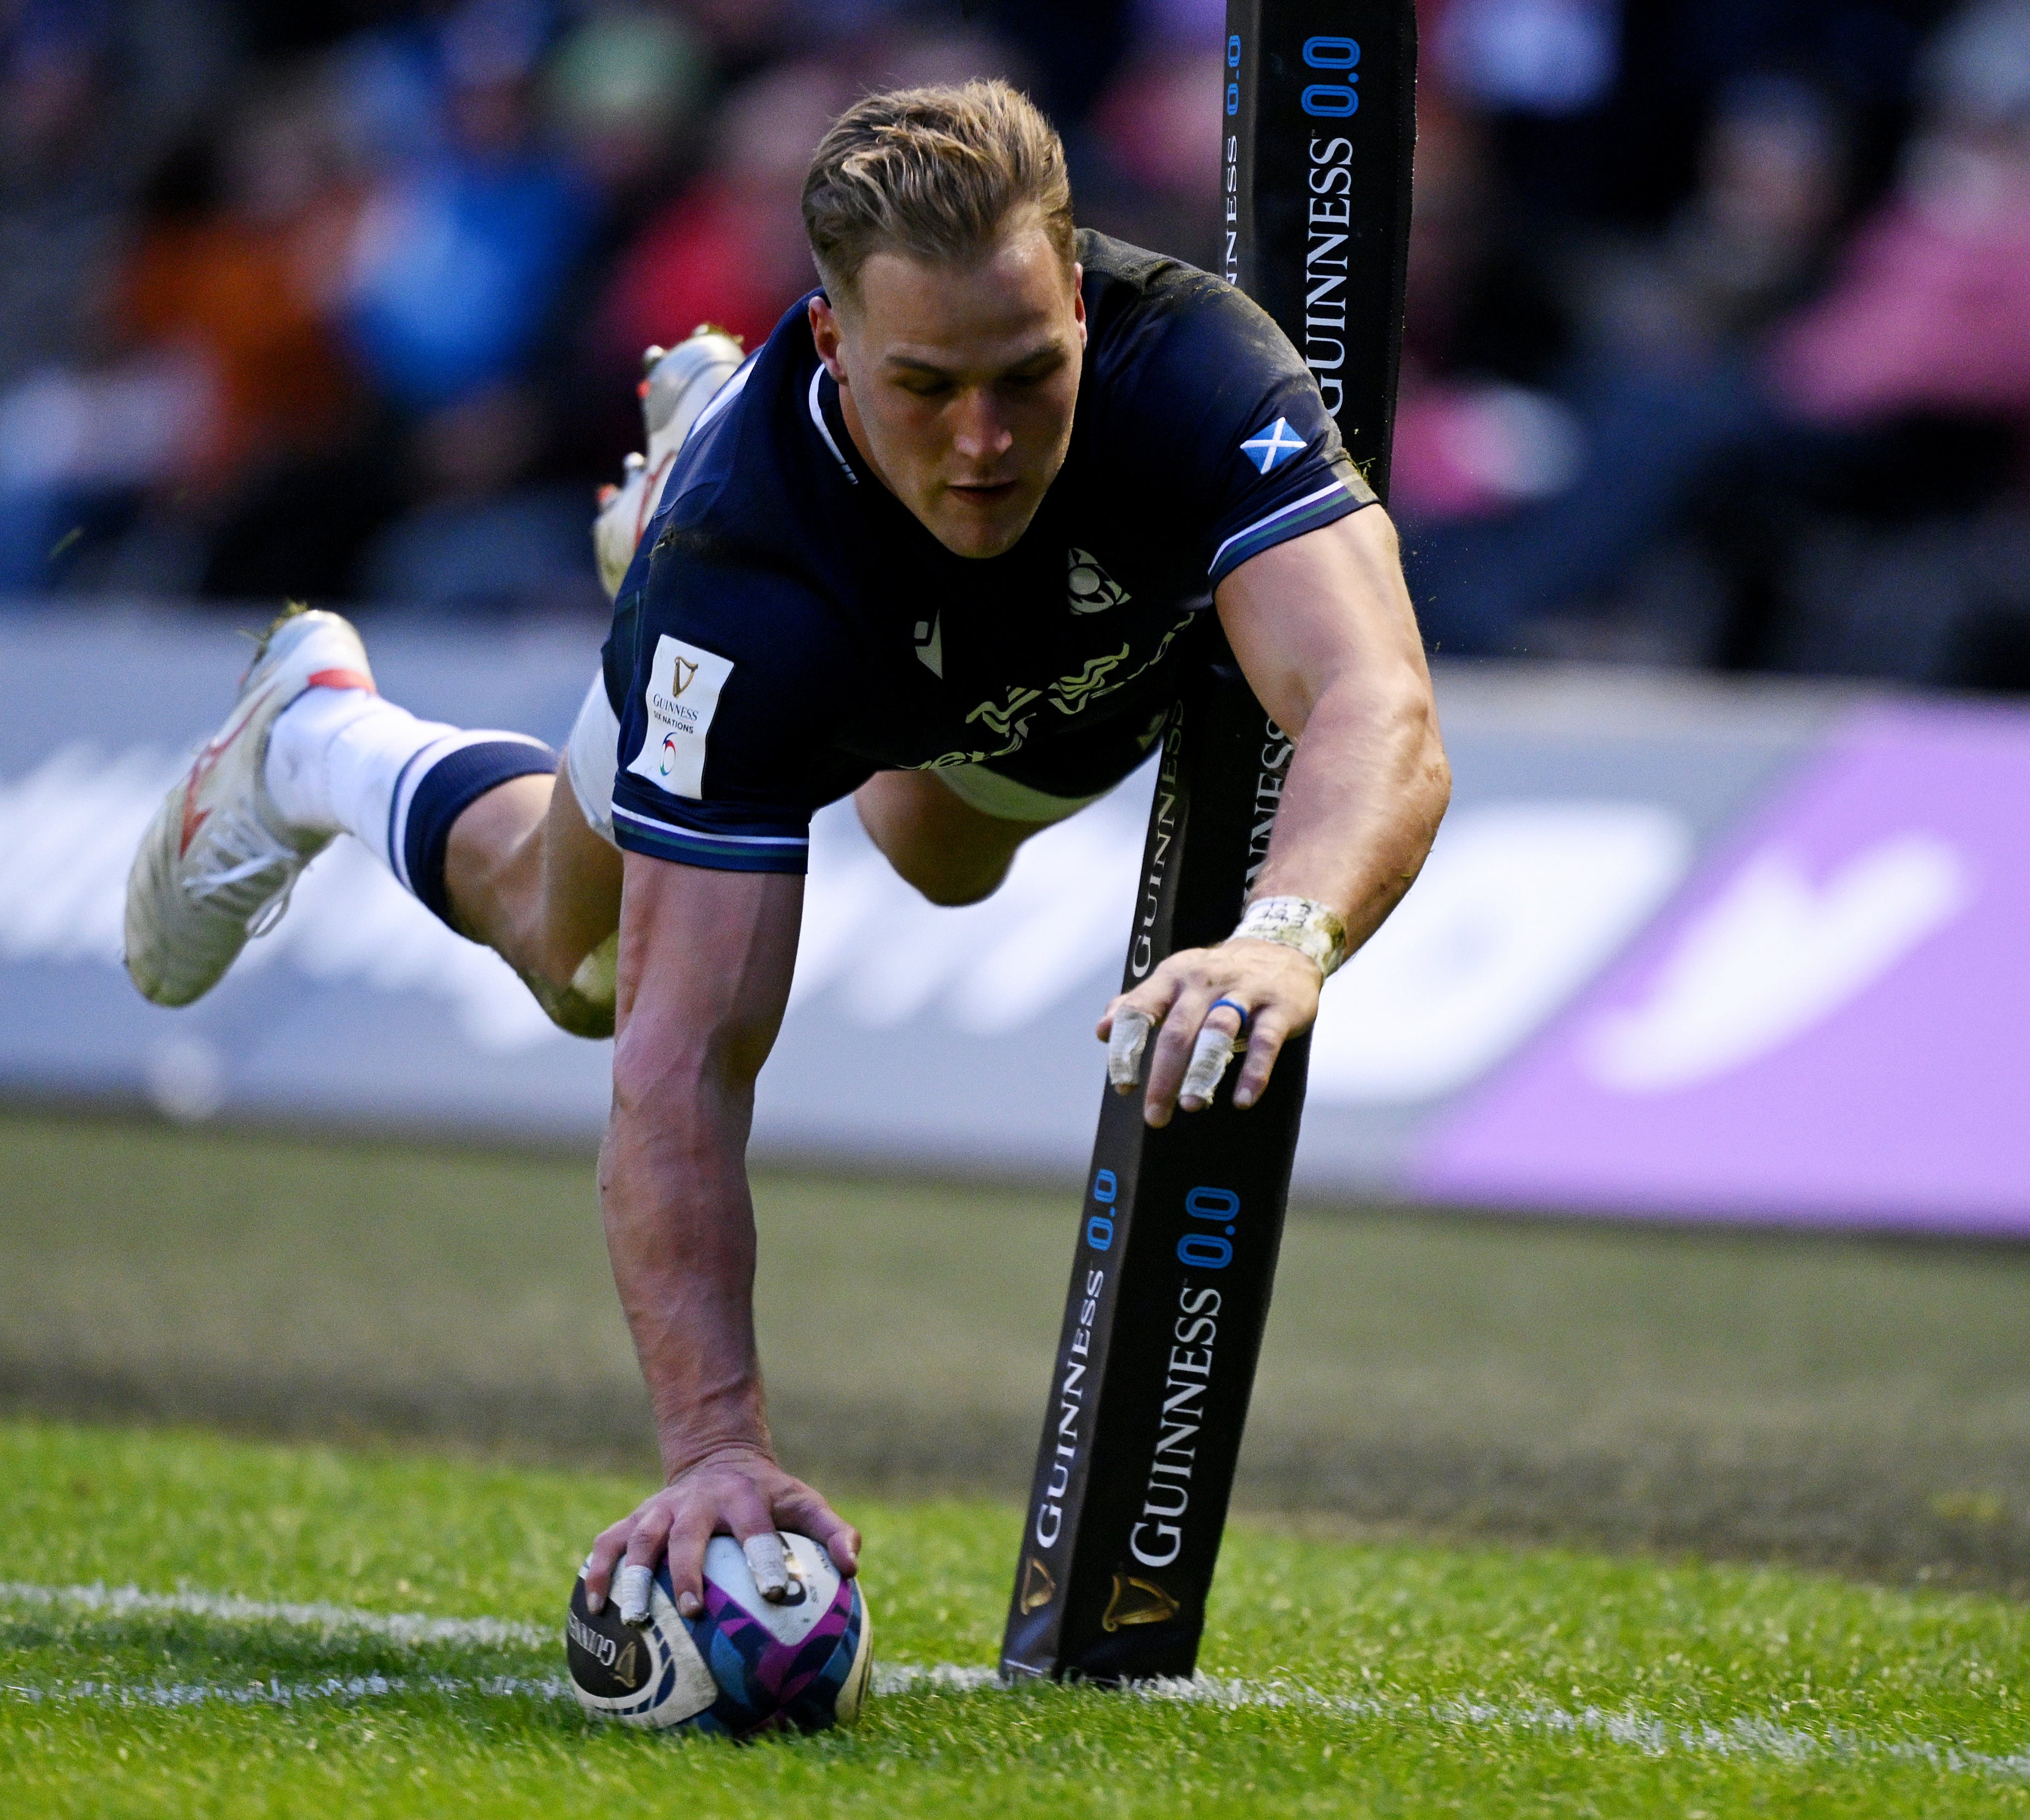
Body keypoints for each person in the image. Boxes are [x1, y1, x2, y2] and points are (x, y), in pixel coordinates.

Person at [122, 81, 1448, 1627]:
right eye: (927, 386)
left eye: (1029, 373)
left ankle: (724, 532)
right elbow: (682, 1069)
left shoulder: (1194, 363)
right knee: (586, 965)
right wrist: (713, 1448)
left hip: (1038, 682)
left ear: (1080, 302)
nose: (984, 439)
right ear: (830, 347)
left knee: (943, 856)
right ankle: (317, 737)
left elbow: (1373, 701)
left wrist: (1282, 931)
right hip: (815, 623)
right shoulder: (736, 586)